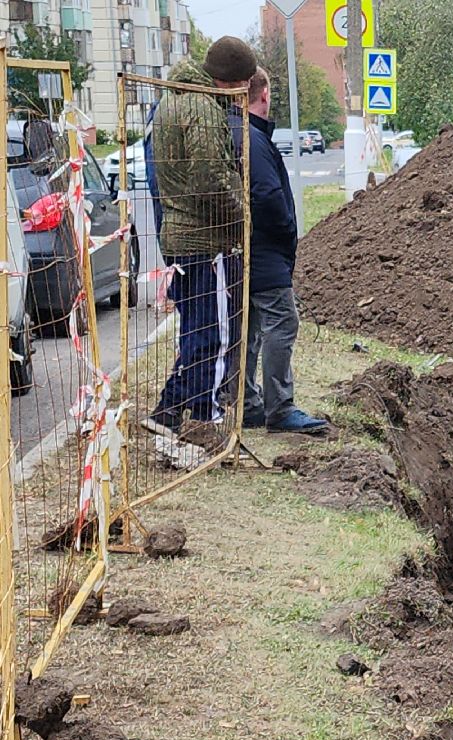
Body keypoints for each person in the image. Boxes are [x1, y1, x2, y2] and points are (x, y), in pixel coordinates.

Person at [143, 36, 253, 453]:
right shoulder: (203, 107)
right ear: (229, 82)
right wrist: (242, 215)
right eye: (241, 88)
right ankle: (204, 419)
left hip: (180, 234)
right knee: (214, 333)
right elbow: (210, 181)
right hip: (203, 241)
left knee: (196, 329)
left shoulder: (175, 99)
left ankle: (168, 414)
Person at [232, 67, 328, 435]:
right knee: (282, 323)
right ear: (264, 95)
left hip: (251, 249)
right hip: (265, 250)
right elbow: (268, 195)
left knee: (253, 328)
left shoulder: (241, 133)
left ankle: (249, 403)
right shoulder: (252, 139)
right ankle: (279, 408)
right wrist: (287, 228)